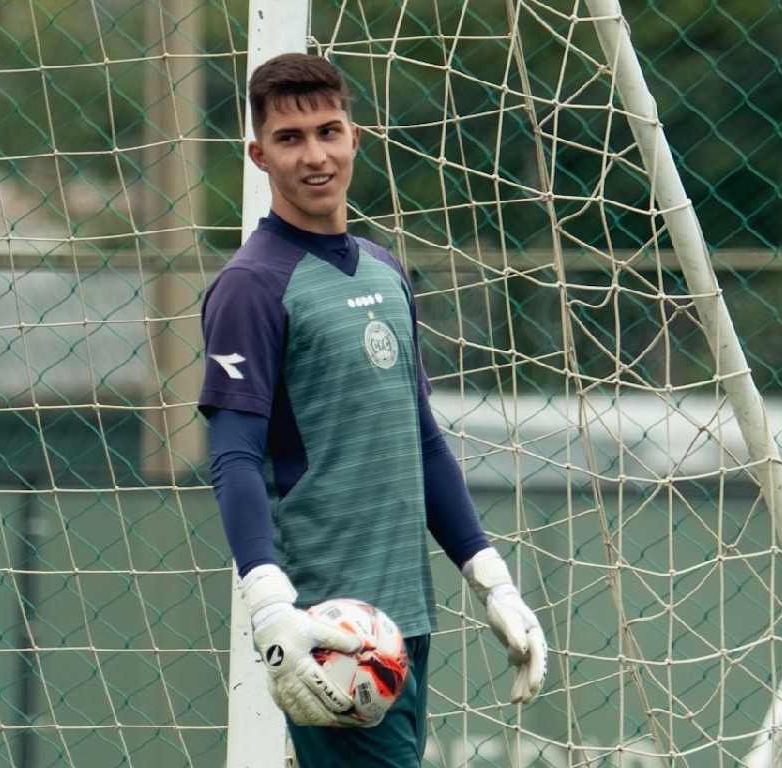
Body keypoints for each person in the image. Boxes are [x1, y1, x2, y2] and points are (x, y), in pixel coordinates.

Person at [198, 51, 547, 767]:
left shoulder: (386, 270)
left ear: (355, 138)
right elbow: (232, 453)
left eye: (329, 131)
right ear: (258, 154)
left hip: (406, 618)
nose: (314, 155)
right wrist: (270, 606)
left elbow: (420, 441)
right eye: (290, 140)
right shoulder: (250, 286)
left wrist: (490, 578)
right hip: (328, 628)